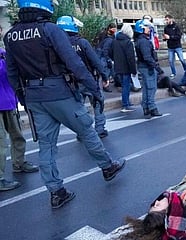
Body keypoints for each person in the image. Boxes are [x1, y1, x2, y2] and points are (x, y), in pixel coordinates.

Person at [4, 0, 126, 209]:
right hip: (59, 92)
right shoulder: (50, 29)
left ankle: (56, 192)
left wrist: (23, 98)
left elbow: (12, 72)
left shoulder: (11, 35)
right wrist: (94, 89)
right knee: (86, 130)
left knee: (46, 145)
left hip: (33, 96)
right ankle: (107, 167)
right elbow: (74, 63)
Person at [57, 16, 110, 138]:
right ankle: (100, 129)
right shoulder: (82, 42)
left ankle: (82, 132)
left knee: (79, 109)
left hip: (70, 82)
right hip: (89, 80)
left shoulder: (58, 45)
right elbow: (95, 61)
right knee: (98, 103)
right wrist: (105, 76)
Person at [0, 47, 39, 191]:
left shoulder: (3, 52)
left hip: (9, 101)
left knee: (18, 135)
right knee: (0, 143)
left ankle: (19, 162)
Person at [135, 19, 162, 118]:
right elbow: (147, 57)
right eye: (147, 27)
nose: (149, 29)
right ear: (141, 28)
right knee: (151, 88)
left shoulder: (140, 40)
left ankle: (146, 107)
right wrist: (157, 68)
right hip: (147, 67)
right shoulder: (144, 42)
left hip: (143, 66)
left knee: (146, 89)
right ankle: (152, 107)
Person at [110, 24, 137, 113]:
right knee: (127, 86)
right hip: (126, 67)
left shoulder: (115, 41)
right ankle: (125, 104)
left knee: (124, 85)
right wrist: (134, 70)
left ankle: (126, 103)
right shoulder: (128, 42)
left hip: (118, 67)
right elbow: (131, 58)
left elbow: (110, 53)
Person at [94, 22, 116, 92]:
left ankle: (106, 84)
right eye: (113, 29)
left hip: (102, 54)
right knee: (105, 70)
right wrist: (108, 58)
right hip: (103, 55)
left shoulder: (110, 36)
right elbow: (105, 48)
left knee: (107, 71)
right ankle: (105, 85)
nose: (114, 31)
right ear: (109, 28)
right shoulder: (106, 37)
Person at [164, 15, 186, 79]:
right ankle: (173, 72)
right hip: (170, 47)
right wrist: (165, 38)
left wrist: (170, 37)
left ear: (171, 19)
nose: (166, 21)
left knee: (182, 59)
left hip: (177, 46)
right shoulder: (166, 28)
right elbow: (167, 37)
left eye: (167, 19)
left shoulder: (176, 27)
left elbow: (178, 36)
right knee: (171, 61)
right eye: (165, 20)